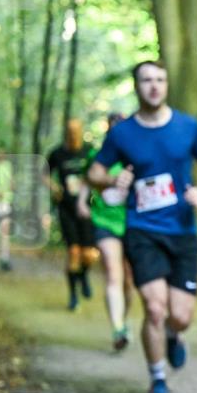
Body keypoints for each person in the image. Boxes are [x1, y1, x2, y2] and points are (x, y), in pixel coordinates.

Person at [88, 61, 197, 393]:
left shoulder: (187, 126)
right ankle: (157, 379)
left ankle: (174, 335)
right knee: (155, 308)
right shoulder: (122, 133)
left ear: (167, 84)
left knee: (181, 316)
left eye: (160, 79)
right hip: (142, 231)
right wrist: (112, 179)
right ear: (137, 86)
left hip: (182, 230)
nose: (154, 85)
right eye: (147, 80)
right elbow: (94, 172)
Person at [78, 113, 133, 352]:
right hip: (103, 221)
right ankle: (117, 328)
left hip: (131, 223)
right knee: (112, 272)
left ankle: (123, 319)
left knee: (128, 281)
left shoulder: (135, 156)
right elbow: (87, 179)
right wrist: (82, 202)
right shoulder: (97, 156)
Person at [47, 119, 97, 310]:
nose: (73, 134)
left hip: (87, 208)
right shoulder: (57, 153)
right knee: (74, 252)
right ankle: (73, 295)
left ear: (81, 131)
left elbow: (99, 171)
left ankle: (83, 275)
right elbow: (43, 173)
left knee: (89, 254)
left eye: (76, 131)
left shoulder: (89, 151)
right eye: (70, 131)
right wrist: (54, 187)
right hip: (66, 208)